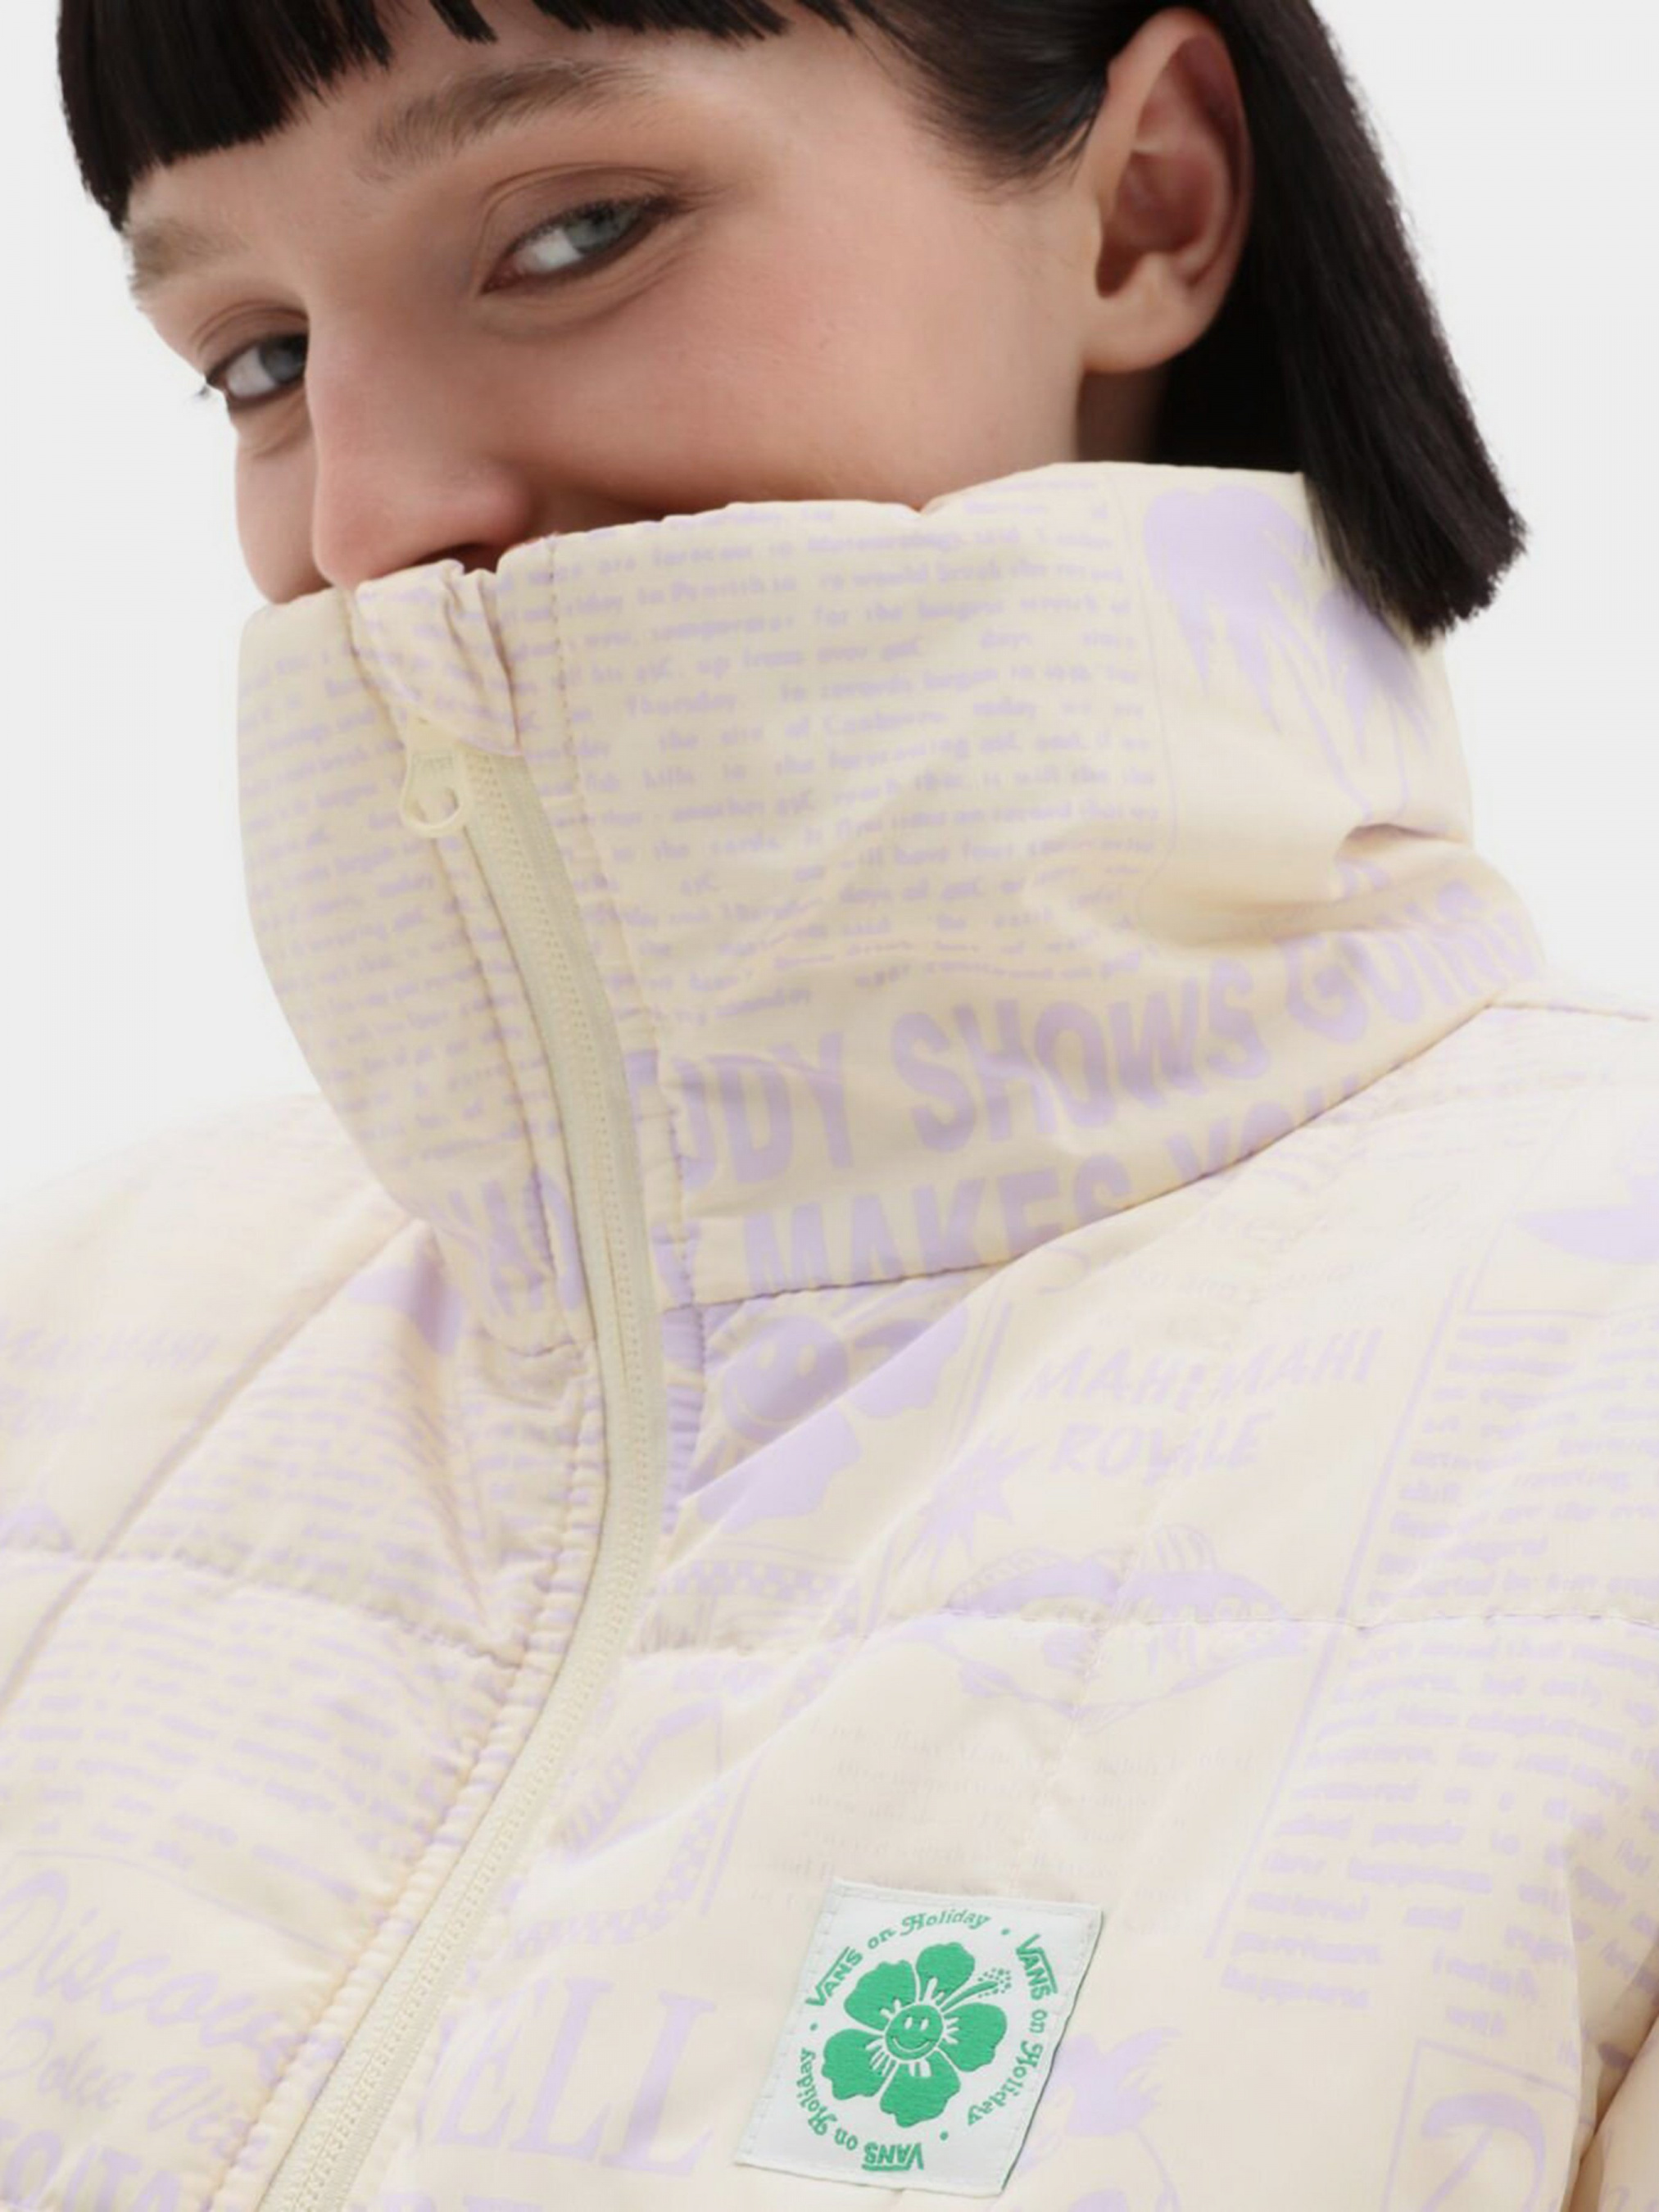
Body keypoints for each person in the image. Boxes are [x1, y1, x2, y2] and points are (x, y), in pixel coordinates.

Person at [2, 0, 1648, 2204]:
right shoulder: (65, 1353)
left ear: (1147, 204)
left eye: (574, 232)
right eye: (261, 360)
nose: (370, 515)